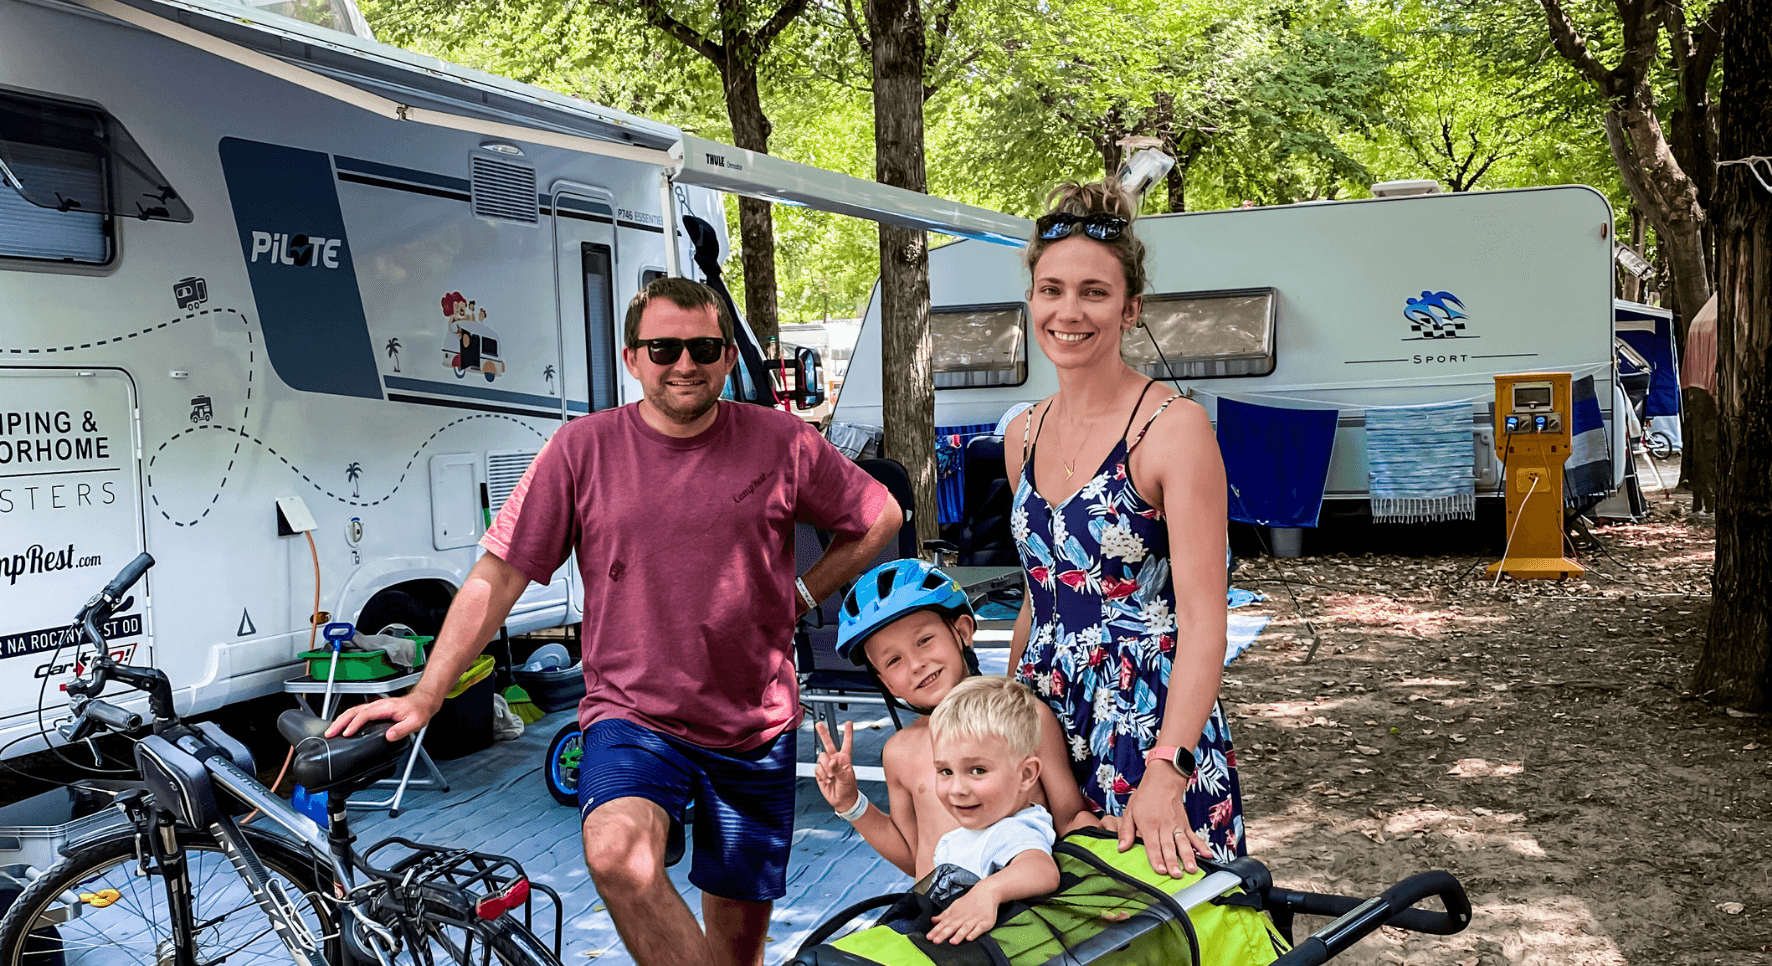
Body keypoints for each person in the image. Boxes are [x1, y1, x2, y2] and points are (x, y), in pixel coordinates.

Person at [330, 276, 903, 966]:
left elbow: (878, 517)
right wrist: (428, 692)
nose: (683, 364)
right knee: (618, 859)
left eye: (702, 348)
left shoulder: (780, 440)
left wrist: (802, 595)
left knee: (738, 946)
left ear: (727, 357)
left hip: (756, 722)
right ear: (633, 359)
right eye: (663, 349)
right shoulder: (582, 449)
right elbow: (498, 576)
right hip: (633, 714)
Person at [1003, 180, 1244, 877]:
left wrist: (1169, 768)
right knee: (1051, 923)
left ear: (1131, 309)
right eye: (1051, 290)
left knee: (1163, 924)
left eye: (1093, 292)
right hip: (1044, 723)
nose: (1068, 311)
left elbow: (1206, 621)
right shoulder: (1021, 433)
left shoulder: (1174, 430)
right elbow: (1035, 595)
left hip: (1145, 721)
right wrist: (1005, 712)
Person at [811, 559, 1094, 881]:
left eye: (924, 640)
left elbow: (1070, 819)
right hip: (938, 917)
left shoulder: (1025, 718)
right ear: (885, 681)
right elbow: (914, 858)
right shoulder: (899, 752)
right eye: (894, 660)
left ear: (962, 631)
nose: (916, 663)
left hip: (1018, 915)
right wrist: (851, 804)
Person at [922, 675, 1061, 945]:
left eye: (978, 770)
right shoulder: (973, 833)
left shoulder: (1013, 830)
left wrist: (988, 891)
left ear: (1026, 775)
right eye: (945, 771)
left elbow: (1041, 869)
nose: (957, 788)